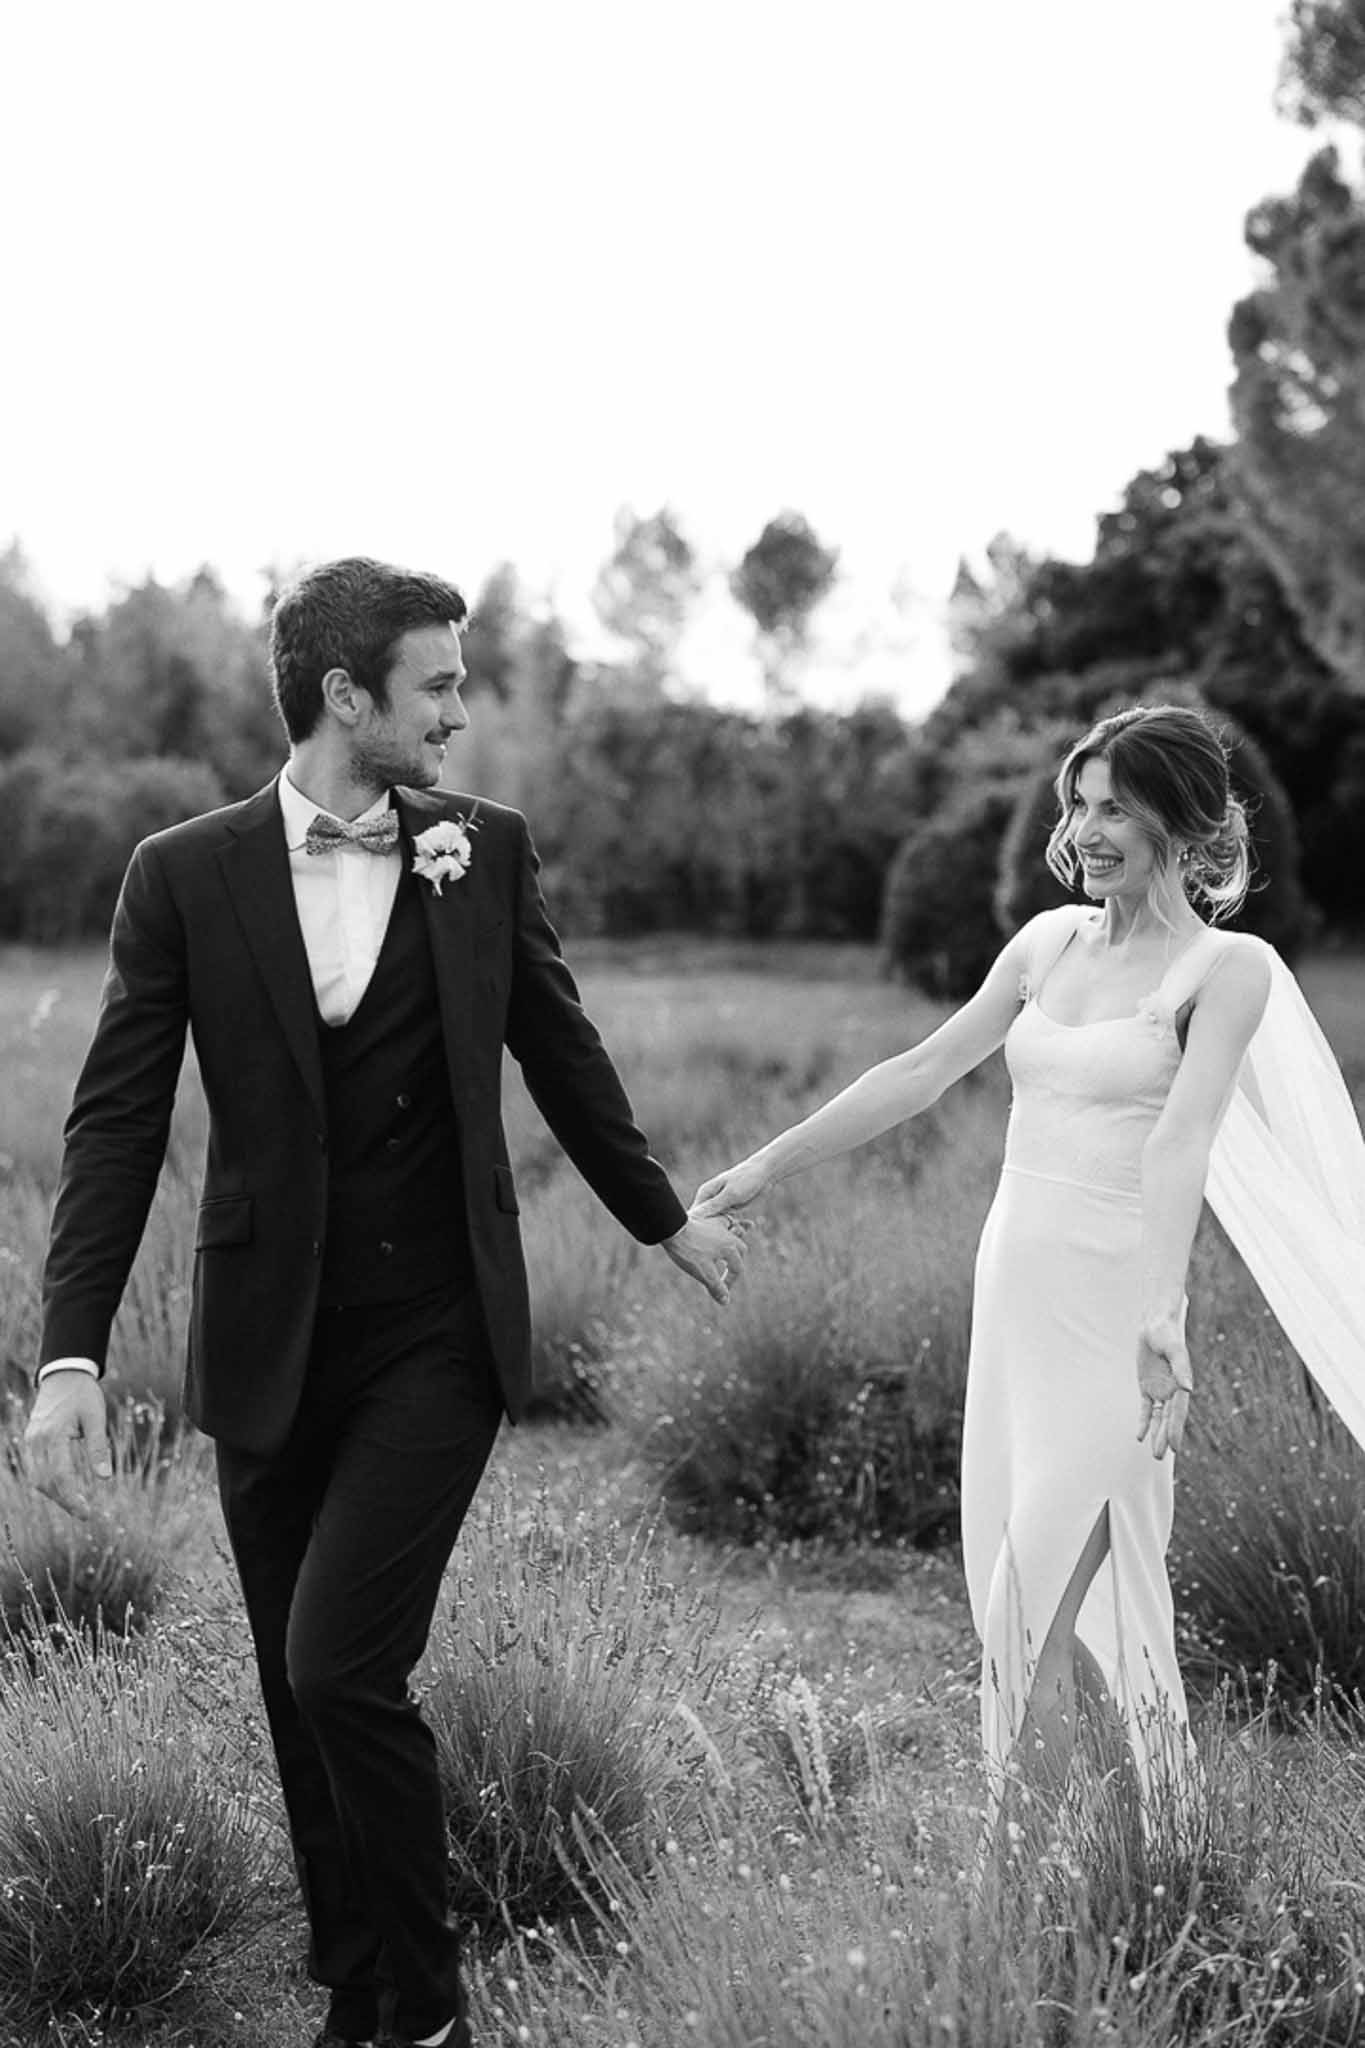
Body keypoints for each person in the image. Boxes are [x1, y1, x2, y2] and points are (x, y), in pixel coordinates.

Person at [23, 556, 746, 2048]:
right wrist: (70, 1354)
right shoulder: (182, 872)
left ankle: (425, 2010)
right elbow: (115, 1125)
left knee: (338, 1661)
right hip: (267, 1343)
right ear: (345, 698)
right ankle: (357, 1991)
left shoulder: (485, 851)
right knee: (301, 1703)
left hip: (440, 1335)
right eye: (438, 685)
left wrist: (660, 1213)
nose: (461, 715)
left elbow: (559, 1045)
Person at [694, 702, 1365, 1832]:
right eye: (1080, 803)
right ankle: (1101, 1860)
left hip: (1115, 1313)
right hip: (1016, 1296)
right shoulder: (1047, 942)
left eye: (1115, 807)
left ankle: (1074, 1866)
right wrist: (772, 1160)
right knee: (1016, 1590)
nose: (1087, 827)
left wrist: (1165, 1312)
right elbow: (924, 1065)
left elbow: (1181, 1139)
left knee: (1038, 1599)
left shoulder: (1226, 968)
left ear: (1180, 820)